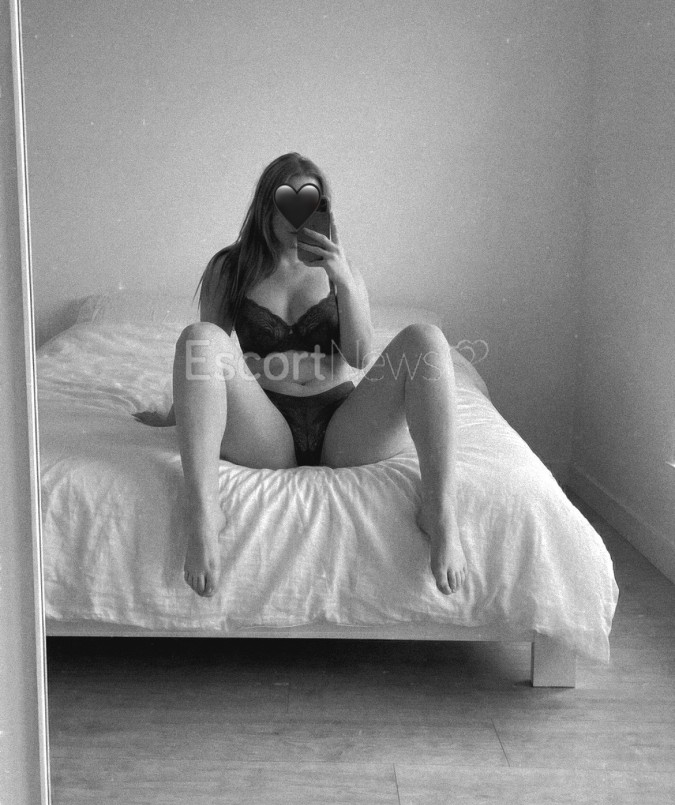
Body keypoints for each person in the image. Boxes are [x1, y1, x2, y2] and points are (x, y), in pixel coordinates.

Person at [134, 152, 466, 600]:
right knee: (197, 336)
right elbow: (205, 356)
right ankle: (203, 513)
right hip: (267, 429)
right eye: (286, 201)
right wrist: (176, 415)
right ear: (265, 206)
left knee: (426, 339)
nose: (297, 216)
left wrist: (342, 280)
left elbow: (360, 356)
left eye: (310, 202)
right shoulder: (230, 269)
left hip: (343, 427)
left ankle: (440, 512)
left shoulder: (342, 270)